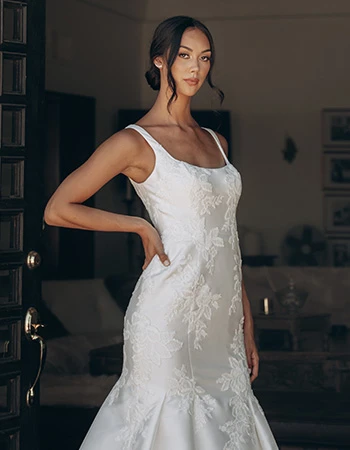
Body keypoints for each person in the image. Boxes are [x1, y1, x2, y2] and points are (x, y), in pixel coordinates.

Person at [44, 15, 278, 450]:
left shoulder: (216, 142)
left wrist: (245, 323)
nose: (195, 68)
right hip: (168, 314)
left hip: (221, 321)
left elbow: (227, 239)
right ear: (161, 61)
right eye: (184, 56)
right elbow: (58, 208)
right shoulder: (135, 141)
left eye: (204, 58)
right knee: (166, 421)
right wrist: (136, 224)